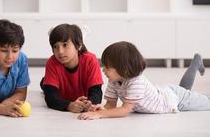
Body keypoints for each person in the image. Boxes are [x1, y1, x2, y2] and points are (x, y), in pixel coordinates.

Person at [78, 41, 209, 120]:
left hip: (175, 100)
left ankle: (196, 63)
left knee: (204, 101)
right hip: (167, 93)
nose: (103, 70)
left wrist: (100, 115)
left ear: (122, 69)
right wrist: (98, 109)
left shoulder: (136, 81)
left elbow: (124, 110)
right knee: (186, 91)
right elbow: (110, 106)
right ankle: (196, 63)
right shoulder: (114, 80)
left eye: (107, 67)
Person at [40, 23, 104, 113]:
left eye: (65, 45)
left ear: (79, 46)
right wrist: (69, 105)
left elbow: (96, 92)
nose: (60, 51)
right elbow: (50, 98)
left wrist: (90, 103)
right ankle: (44, 81)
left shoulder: (90, 60)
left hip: (78, 92)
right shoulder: (52, 62)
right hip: (60, 91)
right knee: (45, 85)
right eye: (55, 46)